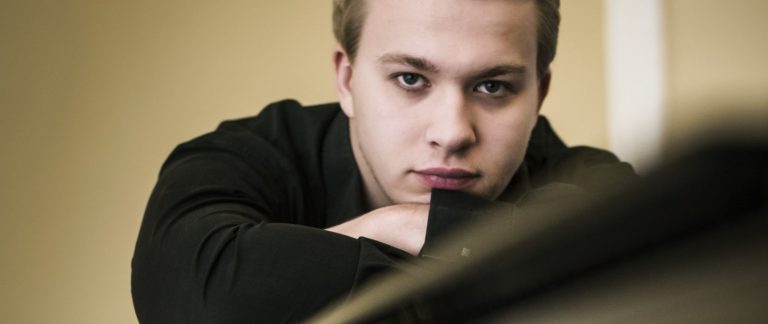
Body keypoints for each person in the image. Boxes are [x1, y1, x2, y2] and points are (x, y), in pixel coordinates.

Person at [131, 0, 635, 322]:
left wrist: (399, 225)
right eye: (411, 80)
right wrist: (435, 239)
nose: (452, 132)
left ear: (539, 94)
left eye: (492, 86)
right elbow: (193, 299)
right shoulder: (242, 159)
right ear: (347, 80)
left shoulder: (591, 183)